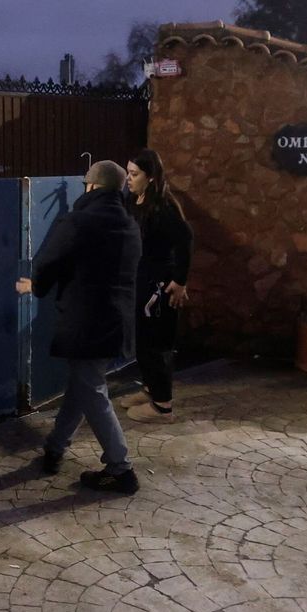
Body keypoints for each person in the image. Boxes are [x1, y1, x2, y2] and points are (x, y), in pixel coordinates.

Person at [16, 159, 143, 494]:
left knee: (93, 391)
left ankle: (120, 468)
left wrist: (36, 285)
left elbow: (49, 261)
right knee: (82, 385)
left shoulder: (79, 221)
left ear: (90, 186)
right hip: (117, 322)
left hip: (85, 322)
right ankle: (55, 448)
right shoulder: (130, 225)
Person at [124, 149, 193, 421]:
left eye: (134, 174)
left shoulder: (164, 206)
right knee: (143, 340)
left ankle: (163, 406)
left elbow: (185, 241)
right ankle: (151, 388)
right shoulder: (135, 200)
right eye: (128, 173)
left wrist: (179, 280)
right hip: (142, 280)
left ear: (151, 177)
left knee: (157, 343)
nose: (129, 179)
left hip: (159, 285)